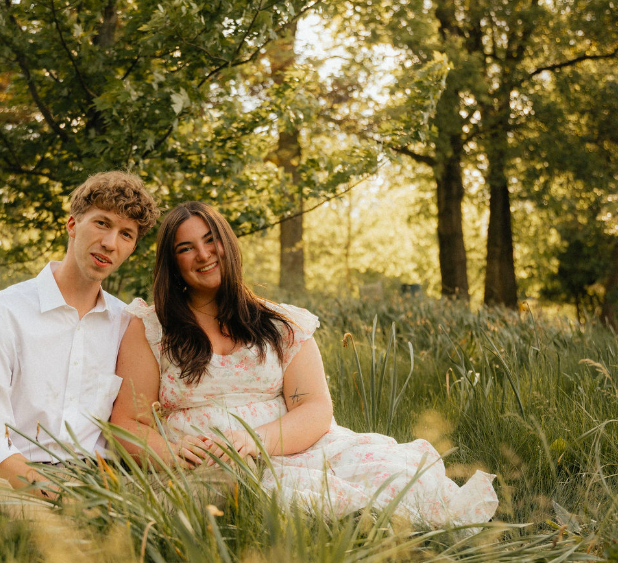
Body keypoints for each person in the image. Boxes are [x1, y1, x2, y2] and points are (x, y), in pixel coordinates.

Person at [111, 202, 499, 529]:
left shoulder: (281, 324)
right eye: (186, 248)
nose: (203, 254)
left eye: (211, 240)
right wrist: (173, 452)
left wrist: (250, 440)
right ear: (173, 263)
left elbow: (314, 408)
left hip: (288, 448)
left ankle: (384, 542)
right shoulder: (152, 327)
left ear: (227, 243)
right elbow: (126, 423)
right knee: (266, 507)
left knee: (391, 481)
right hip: (202, 465)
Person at [0, 170, 160, 500]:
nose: (110, 243)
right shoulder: (0, 312)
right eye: (102, 223)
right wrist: (60, 496)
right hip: (18, 478)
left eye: (126, 235)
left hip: (103, 483)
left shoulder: (128, 324)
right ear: (71, 225)